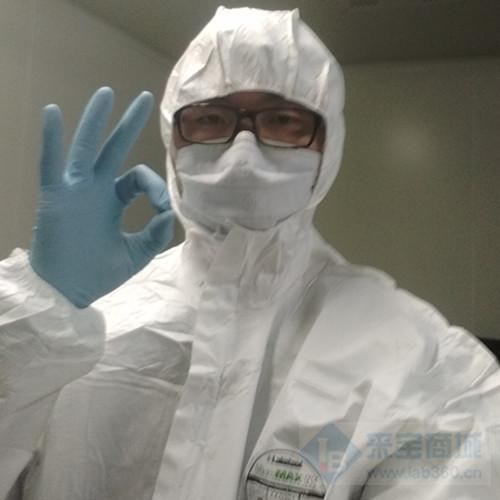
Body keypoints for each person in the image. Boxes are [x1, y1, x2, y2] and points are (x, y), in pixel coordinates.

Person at [0, 6, 498, 500]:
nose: (242, 152)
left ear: (328, 144)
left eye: (282, 120)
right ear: (173, 139)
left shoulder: (425, 365)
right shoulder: (74, 326)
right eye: (209, 118)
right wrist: (37, 312)